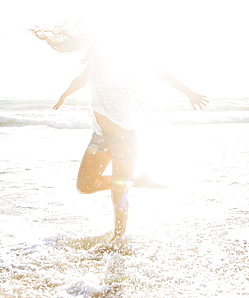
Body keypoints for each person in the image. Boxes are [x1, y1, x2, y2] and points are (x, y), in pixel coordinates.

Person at [30, 23, 209, 240]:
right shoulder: (96, 60)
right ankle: (139, 181)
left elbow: (162, 74)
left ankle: (118, 239)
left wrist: (190, 93)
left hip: (124, 135)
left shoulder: (130, 56)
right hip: (99, 136)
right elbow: (80, 79)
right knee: (85, 186)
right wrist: (64, 95)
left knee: (118, 191)